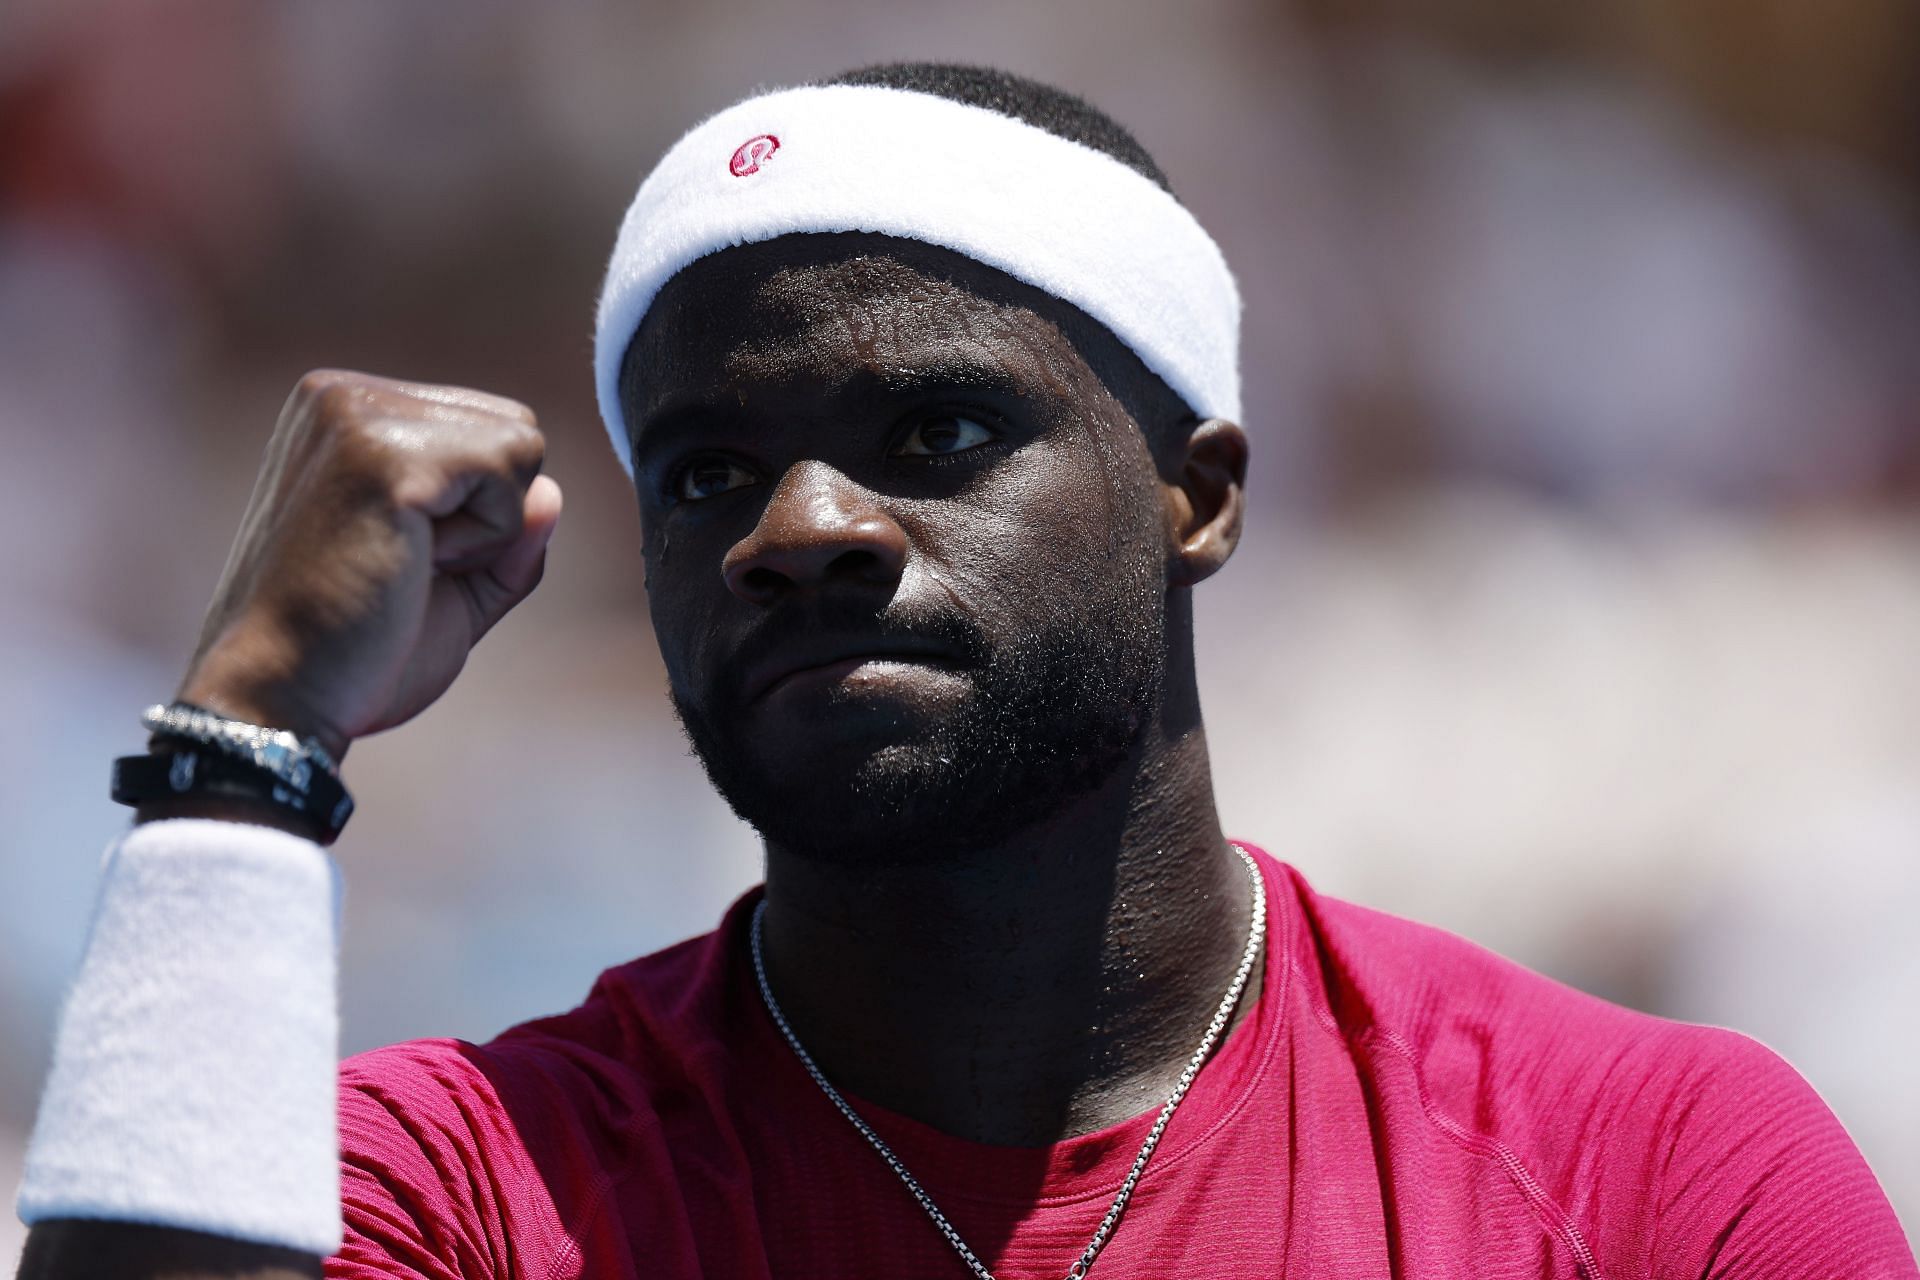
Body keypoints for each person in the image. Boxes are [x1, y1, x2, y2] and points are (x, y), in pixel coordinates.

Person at [14, 62, 1917, 1280]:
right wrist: (249, 735)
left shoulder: (1651, 1176)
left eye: (932, 430)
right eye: (707, 472)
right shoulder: (469, 1188)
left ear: (1198, 491)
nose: (801, 525)